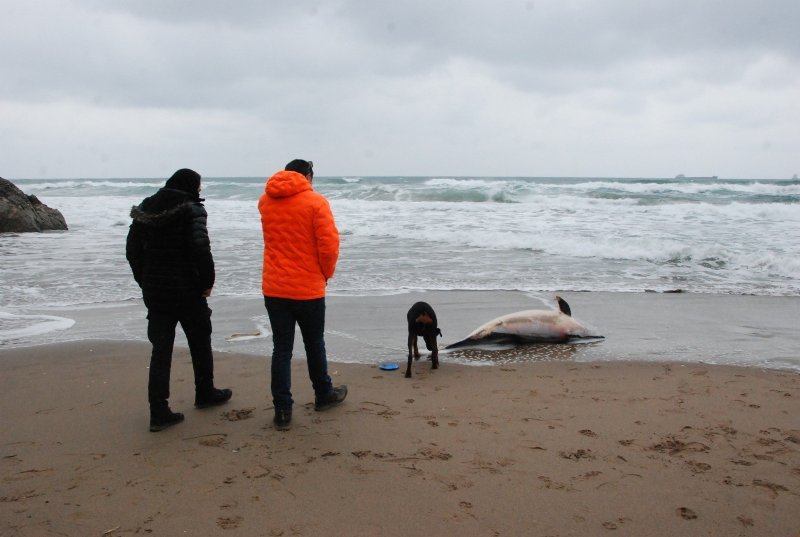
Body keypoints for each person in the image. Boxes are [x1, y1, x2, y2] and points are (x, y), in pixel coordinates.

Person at [126, 168, 232, 432]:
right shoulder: (191, 209)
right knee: (200, 339)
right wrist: (207, 282)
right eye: (200, 185)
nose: (201, 189)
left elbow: (132, 251)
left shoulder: (145, 208)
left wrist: (145, 280)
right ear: (191, 185)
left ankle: (158, 410)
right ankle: (205, 392)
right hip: (188, 290)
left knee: (161, 350)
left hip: (156, 292)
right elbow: (200, 248)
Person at [258, 159, 346, 430]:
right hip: (307, 288)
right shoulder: (315, 202)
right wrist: (326, 274)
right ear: (308, 176)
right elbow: (329, 245)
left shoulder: (266, 201)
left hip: (274, 287)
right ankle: (323, 394)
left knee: (281, 349)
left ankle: (283, 410)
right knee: (314, 343)